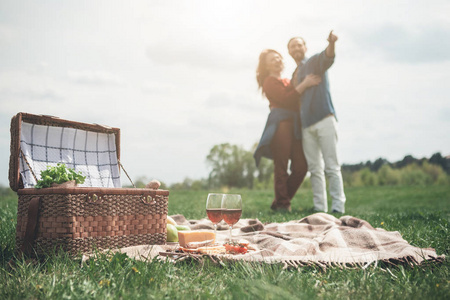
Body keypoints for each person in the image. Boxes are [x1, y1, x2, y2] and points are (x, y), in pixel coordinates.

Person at [254, 49, 321, 212]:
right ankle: (283, 205)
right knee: (281, 165)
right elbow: (286, 99)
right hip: (281, 125)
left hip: (296, 125)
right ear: (266, 65)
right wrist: (304, 85)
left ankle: (279, 202)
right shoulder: (269, 81)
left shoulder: (287, 80)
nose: (277, 60)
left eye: (278, 57)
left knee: (301, 167)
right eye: (272, 59)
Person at [288, 31, 346, 213]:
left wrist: (331, 43)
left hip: (324, 119)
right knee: (314, 169)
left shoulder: (314, 62)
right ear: (289, 52)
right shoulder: (294, 75)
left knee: (331, 166)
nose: (296, 48)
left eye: (299, 44)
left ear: (305, 47)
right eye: (292, 46)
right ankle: (320, 208)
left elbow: (328, 57)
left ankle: (338, 207)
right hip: (306, 126)